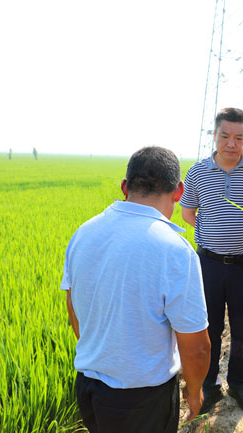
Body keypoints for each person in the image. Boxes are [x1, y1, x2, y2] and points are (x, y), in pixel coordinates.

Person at [61, 146, 211, 433]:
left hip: (88, 386)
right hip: (143, 399)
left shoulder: (84, 233)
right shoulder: (175, 250)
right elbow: (196, 346)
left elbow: (73, 306)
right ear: (179, 192)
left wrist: (104, 354)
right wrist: (194, 392)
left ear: (125, 187)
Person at [181, 107, 243, 415]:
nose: (231, 143)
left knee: (242, 328)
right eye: (225, 136)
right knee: (209, 327)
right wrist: (214, 230)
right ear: (215, 135)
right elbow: (188, 213)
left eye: (239, 137)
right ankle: (209, 385)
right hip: (208, 264)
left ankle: (238, 382)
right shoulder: (197, 172)